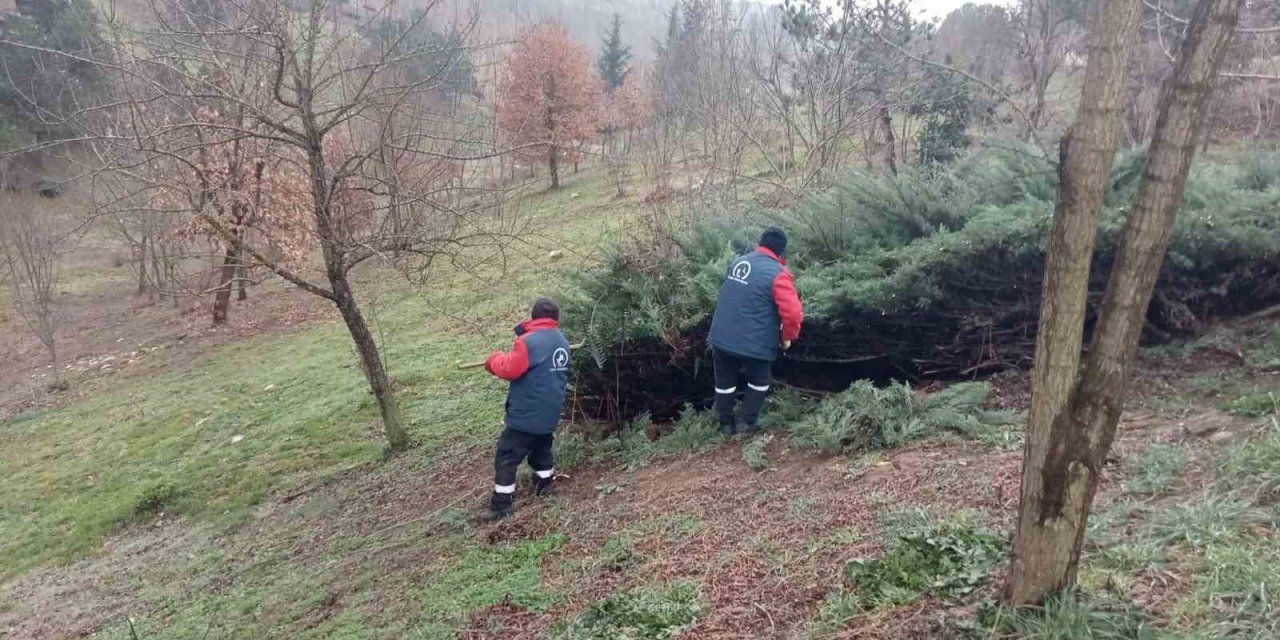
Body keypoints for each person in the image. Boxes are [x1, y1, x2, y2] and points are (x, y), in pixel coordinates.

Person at [479, 298, 572, 522]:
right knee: (541, 448)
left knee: (506, 456)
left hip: (526, 414)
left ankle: (502, 505)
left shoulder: (527, 342)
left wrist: (493, 360)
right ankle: (545, 485)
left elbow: (510, 368)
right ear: (555, 319)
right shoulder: (562, 341)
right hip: (550, 411)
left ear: (534, 316)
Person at [707, 227, 804, 435]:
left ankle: (724, 424)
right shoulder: (779, 274)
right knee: (759, 381)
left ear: (760, 243)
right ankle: (745, 423)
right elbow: (793, 313)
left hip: (722, 337)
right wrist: (788, 336)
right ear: (781, 252)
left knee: (724, 382)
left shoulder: (737, 262)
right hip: (755, 343)